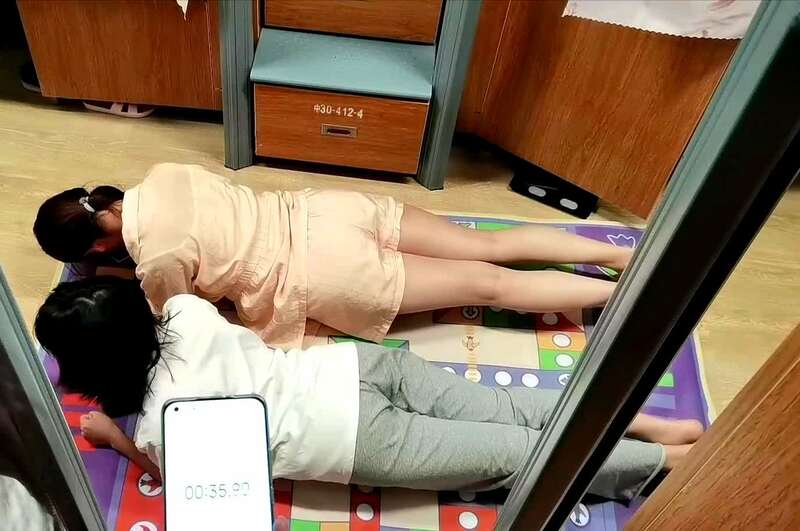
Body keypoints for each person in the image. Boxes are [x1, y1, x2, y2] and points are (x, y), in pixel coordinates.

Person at [35, 277, 703, 499]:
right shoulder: (185, 310)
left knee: (515, 455)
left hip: (357, 438)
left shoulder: (162, 423)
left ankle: (665, 460)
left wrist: (114, 437)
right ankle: (650, 423)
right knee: (504, 406)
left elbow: (183, 479)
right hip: (353, 367)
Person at [33, 163, 632, 350]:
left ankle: (623, 294)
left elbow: (186, 320)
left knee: (490, 286)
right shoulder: (164, 172)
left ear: (98, 247)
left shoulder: (156, 261)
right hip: (327, 212)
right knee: (488, 248)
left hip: (323, 272)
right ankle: (625, 260)